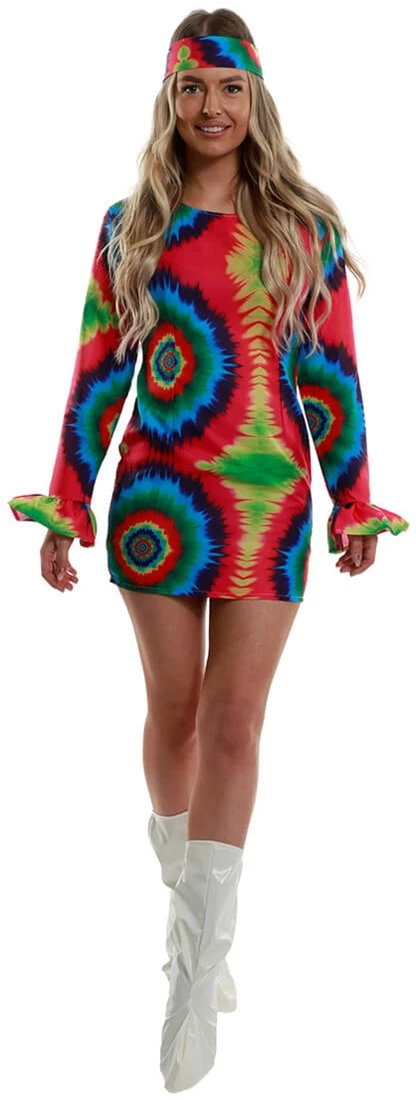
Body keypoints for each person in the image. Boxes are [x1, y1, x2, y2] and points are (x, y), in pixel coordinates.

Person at [7, 8, 410, 1093]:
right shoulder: (129, 227)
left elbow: (331, 373)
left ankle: (194, 974)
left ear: (255, 98)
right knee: (177, 713)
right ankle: (184, 907)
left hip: (270, 503)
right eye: (192, 88)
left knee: (236, 722)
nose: (211, 108)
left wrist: (352, 500)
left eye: (229, 89)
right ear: (169, 97)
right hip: (160, 501)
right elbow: (98, 371)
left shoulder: (301, 229)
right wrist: (67, 502)